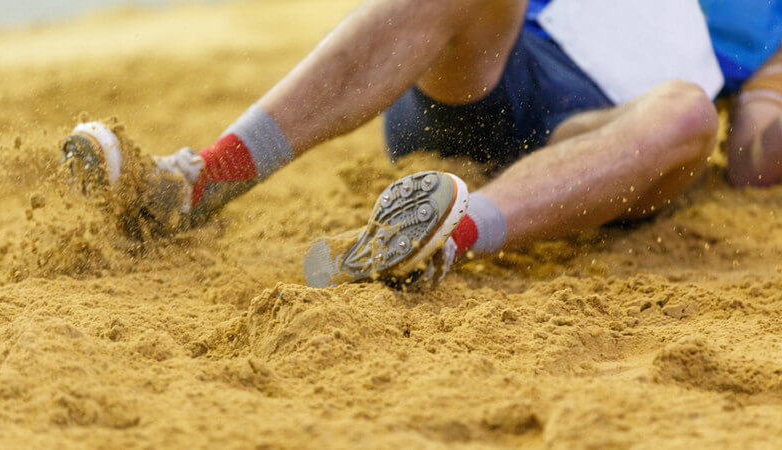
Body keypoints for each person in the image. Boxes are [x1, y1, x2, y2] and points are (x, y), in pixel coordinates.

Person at [61, 0, 782, 288]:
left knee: (689, 113)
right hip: (493, 73)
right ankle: (194, 184)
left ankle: (436, 236)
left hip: (603, 137)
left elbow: (753, 164)